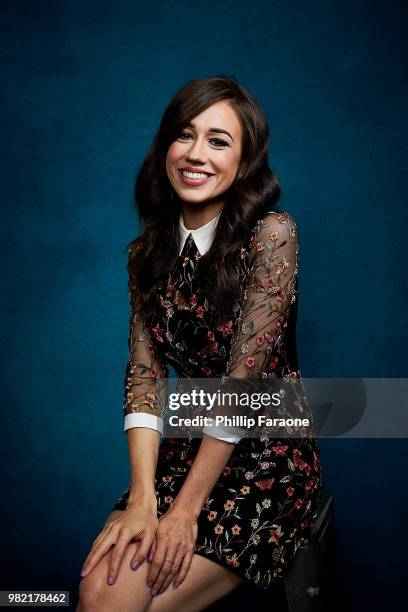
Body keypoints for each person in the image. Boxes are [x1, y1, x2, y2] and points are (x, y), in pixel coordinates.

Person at [76, 75, 321, 612]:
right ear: (166, 146)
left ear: (245, 160)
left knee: (133, 605)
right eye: (185, 135)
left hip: (267, 462)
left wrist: (183, 513)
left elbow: (241, 386)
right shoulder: (146, 253)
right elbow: (144, 379)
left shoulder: (271, 235)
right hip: (183, 452)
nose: (196, 154)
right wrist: (143, 500)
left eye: (219, 141)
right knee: (101, 593)